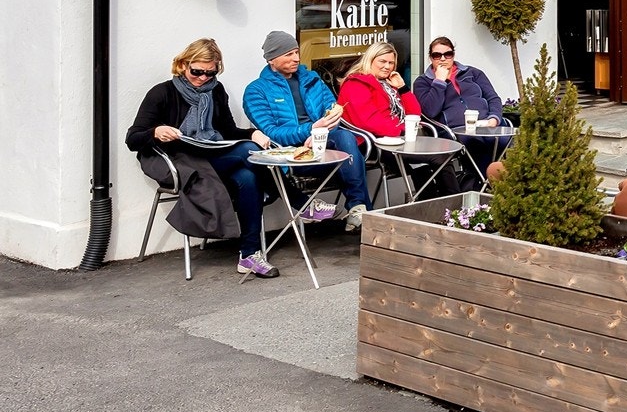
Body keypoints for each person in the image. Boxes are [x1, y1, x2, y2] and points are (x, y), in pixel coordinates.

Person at [125, 38, 280, 277]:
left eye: (211, 72)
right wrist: (156, 132)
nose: (203, 78)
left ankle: (249, 254)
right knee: (246, 152)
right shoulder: (162, 93)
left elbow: (228, 131)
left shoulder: (216, 91)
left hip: (213, 155)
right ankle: (297, 200)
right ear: (183, 65)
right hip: (184, 162)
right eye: (197, 71)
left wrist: (253, 132)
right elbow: (133, 139)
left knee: (248, 175)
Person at [242, 30, 373, 231]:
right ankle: (364, 213)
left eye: (296, 52)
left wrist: (318, 134)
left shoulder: (312, 79)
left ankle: (357, 207)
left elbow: (333, 113)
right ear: (271, 59)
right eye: (288, 54)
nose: (296, 58)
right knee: (348, 152)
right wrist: (310, 130)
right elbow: (272, 132)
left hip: (322, 144)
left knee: (344, 135)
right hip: (293, 155)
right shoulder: (256, 90)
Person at [339, 40, 460, 199]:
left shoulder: (388, 83)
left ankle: (442, 208)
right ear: (370, 60)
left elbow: (415, 114)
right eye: (382, 61)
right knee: (438, 158)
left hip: (400, 139)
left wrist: (402, 88)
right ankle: (453, 208)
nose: (387, 66)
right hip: (374, 143)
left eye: (391, 63)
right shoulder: (356, 83)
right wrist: (402, 131)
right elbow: (368, 121)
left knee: (438, 158)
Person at [412, 36, 506, 184]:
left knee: (507, 141)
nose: (443, 59)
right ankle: (485, 185)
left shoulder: (473, 73)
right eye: (437, 55)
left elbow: (493, 98)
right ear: (431, 58)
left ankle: (501, 181)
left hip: (486, 125)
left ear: (453, 55)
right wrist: (439, 82)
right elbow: (429, 111)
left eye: (447, 54)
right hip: (454, 131)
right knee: (476, 144)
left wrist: (493, 119)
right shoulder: (422, 82)